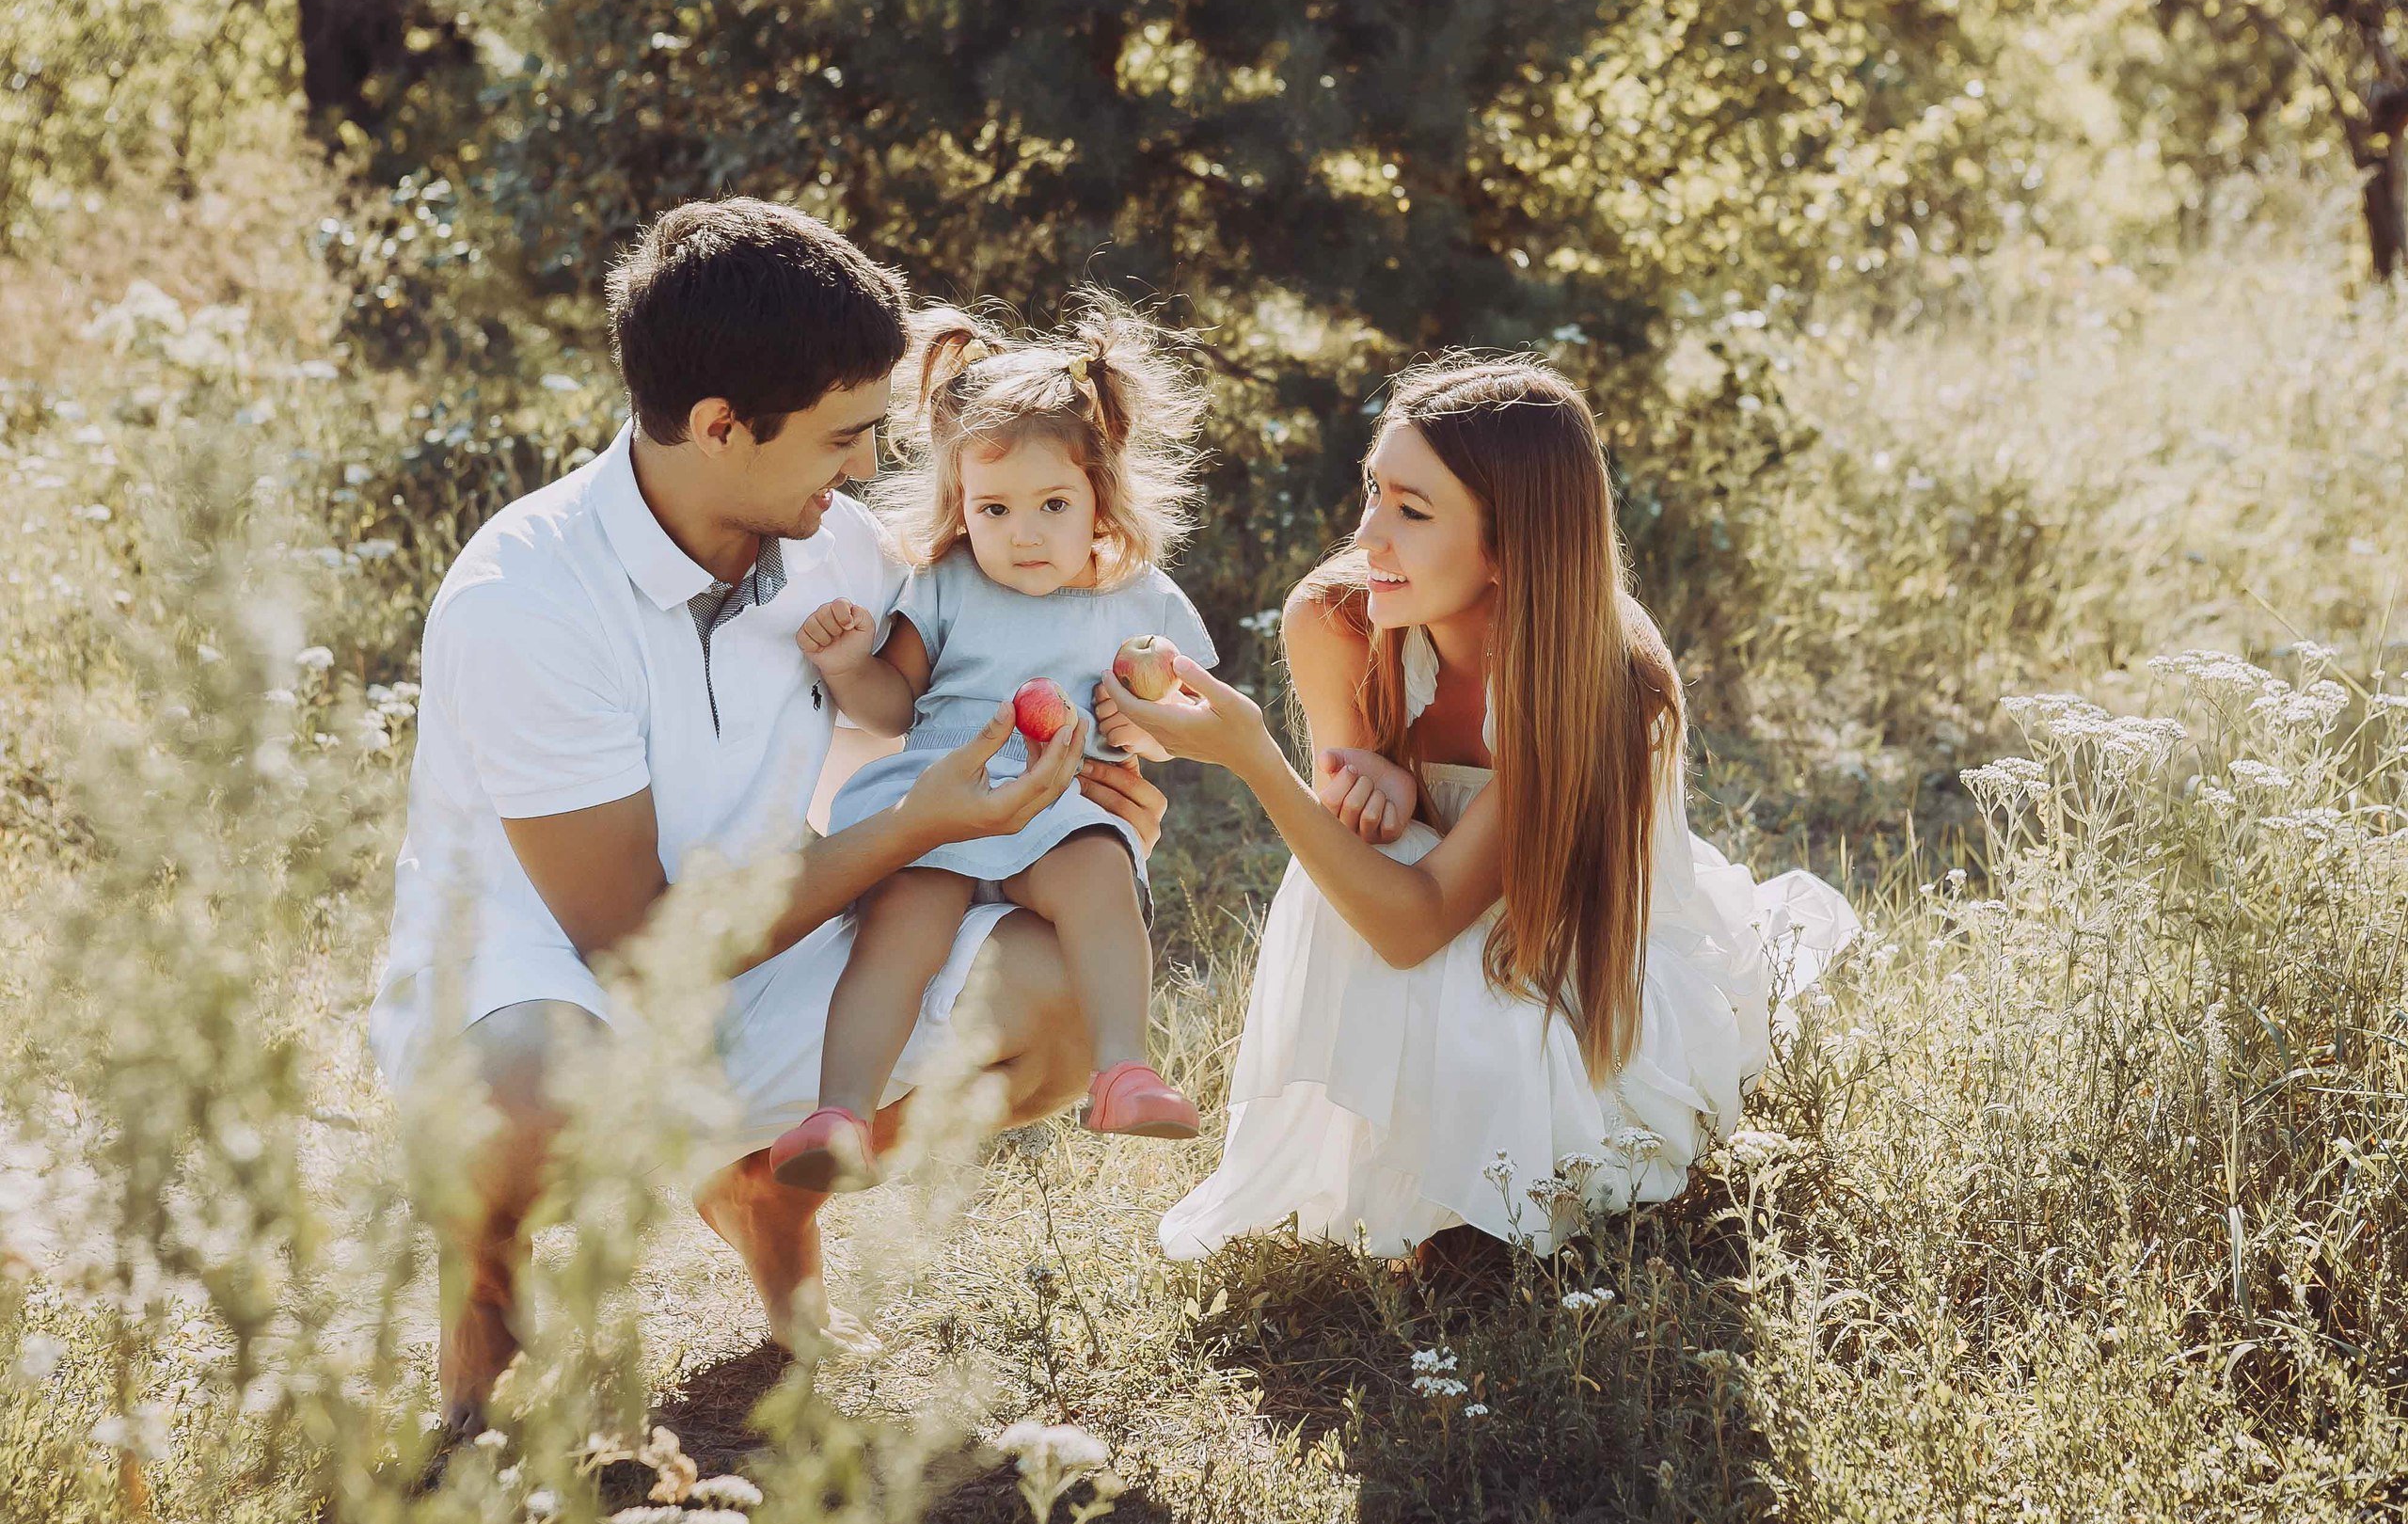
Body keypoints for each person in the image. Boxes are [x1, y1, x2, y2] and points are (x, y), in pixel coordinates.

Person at [365, 198, 1164, 1432]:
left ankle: (760, 1193)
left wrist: (1084, 822)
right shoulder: (524, 599)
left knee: (1060, 993)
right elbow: (635, 942)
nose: (862, 469)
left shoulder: (839, 552)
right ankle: (483, 1294)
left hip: (767, 944)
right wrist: (918, 830)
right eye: (844, 434)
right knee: (529, 1084)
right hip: (544, 982)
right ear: (720, 425)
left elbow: (921, 735)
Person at [1097, 355, 1860, 1260]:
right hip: (1445, 917)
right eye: (1374, 491)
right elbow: (1357, 859)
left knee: (1427, 968)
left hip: (1574, 952)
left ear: (1510, 548)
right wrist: (1379, 787)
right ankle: (1406, 1177)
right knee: (1329, 882)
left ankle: (1474, 1205)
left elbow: (1414, 926)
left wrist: (1252, 757)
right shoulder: (1338, 619)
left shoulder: (1600, 684)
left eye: (1413, 513)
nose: (1369, 534)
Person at [769, 296, 1215, 1190]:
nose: (1024, 532)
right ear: (960, 506)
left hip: (1065, 805)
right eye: (993, 507)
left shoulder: (1141, 599)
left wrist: (1146, 725)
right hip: (947, 798)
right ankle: (840, 1112)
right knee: (895, 938)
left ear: (1101, 494)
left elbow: (1194, 716)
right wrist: (854, 666)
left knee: (1101, 883)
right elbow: (893, 708)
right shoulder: (945, 584)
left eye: (1053, 502)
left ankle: (1123, 1069)